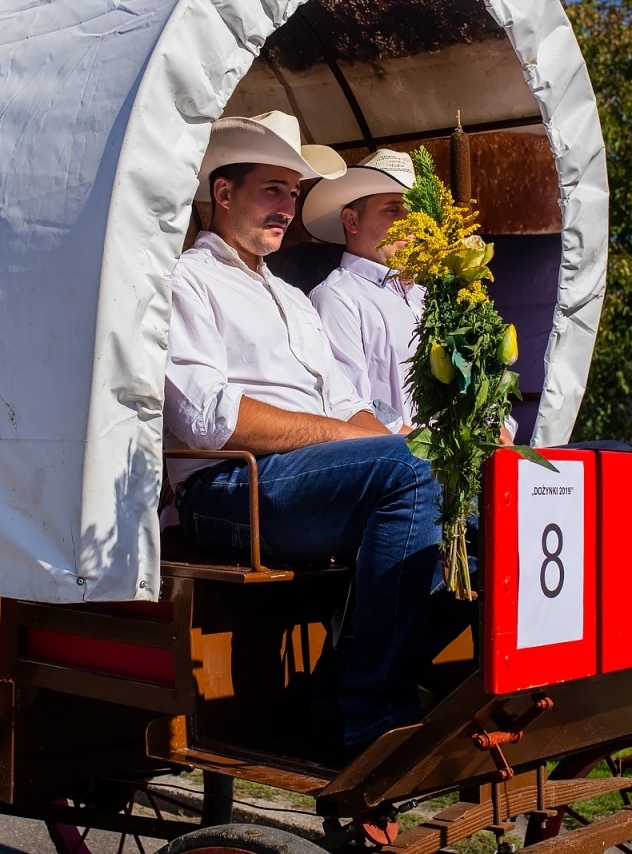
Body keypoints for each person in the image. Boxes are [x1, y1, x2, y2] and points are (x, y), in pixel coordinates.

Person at [164, 111, 446, 752]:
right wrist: (363, 446)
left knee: (468, 492)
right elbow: (208, 419)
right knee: (412, 470)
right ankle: (374, 713)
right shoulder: (187, 280)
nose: (287, 208)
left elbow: (349, 404)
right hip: (225, 490)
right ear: (223, 192)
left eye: (293, 193)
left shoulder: (292, 297)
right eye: (273, 189)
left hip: (292, 483)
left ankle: (343, 689)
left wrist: (400, 445)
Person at [301, 149, 424, 432]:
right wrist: (419, 443)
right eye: (393, 210)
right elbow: (349, 404)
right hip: (398, 456)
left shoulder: (425, 297)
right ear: (352, 221)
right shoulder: (336, 297)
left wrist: (495, 423)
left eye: (414, 211)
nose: (411, 223)